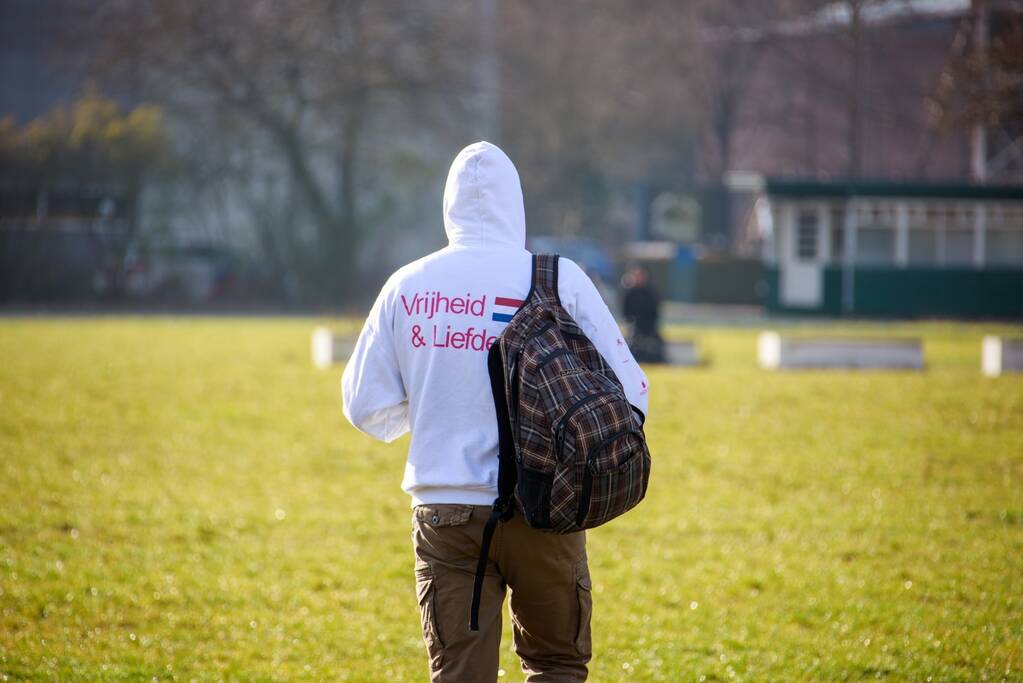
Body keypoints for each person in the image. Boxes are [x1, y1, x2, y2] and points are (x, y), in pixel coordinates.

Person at [341, 142, 649, 682]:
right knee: (556, 666)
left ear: (448, 203)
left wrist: (435, 405)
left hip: (445, 514)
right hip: (547, 509)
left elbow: (364, 405)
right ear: (517, 203)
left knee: (460, 675)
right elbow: (632, 394)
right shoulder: (558, 277)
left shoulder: (406, 286)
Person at [621, 264, 665, 363]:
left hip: (650, 330)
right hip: (634, 330)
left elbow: (654, 314)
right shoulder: (629, 293)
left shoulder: (651, 293)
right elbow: (626, 314)